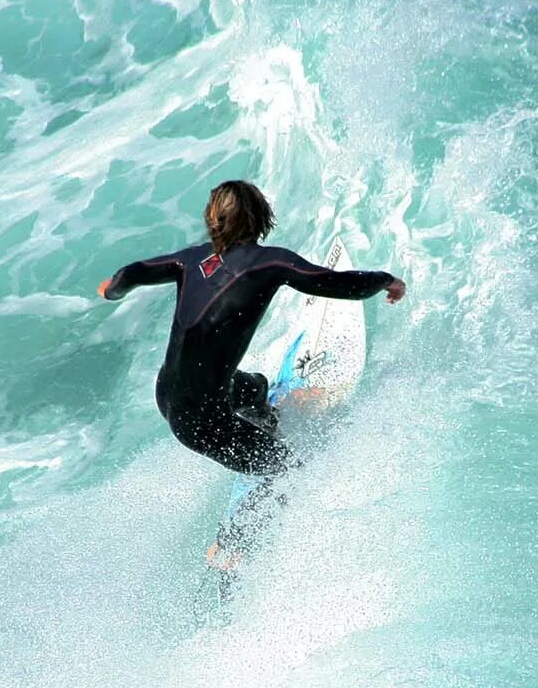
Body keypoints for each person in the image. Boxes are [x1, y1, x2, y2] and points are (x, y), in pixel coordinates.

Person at [98, 179, 405, 476]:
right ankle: (241, 526)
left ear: (213, 218)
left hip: (167, 393)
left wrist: (111, 290)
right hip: (203, 422)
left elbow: (132, 273)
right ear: (262, 217)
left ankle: (266, 424)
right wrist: (385, 280)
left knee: (255, 387)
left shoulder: (190, 259)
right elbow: (337, 284)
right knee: (290, 472)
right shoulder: (270, 263)